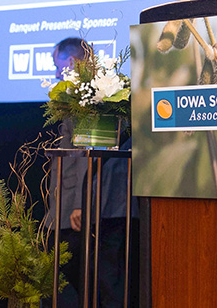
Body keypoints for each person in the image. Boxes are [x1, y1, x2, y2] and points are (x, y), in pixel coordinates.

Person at [47, 37, 137, 308]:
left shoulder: (98, 94)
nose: (55, 73)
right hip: (91, 208)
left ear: (73, 62)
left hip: (93, 209)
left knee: (104, 281)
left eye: (58, 66)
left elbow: (90, 154)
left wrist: (81, 204)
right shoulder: (89, 93)